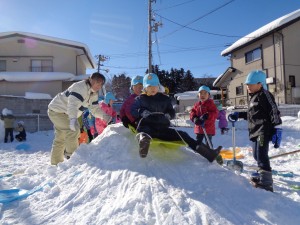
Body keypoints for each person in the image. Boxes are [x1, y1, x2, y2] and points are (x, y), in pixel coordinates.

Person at [131, 73, 221, 161]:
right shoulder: (140, 99)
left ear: (158, 86)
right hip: (148, 127)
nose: (153, 88)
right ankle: (144, 142)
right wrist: (141, 112)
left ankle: (209, 154)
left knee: (184, 135)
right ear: (145, 88)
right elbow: (133, 110)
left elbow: (172, 111)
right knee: (144, 131)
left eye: (155, 86)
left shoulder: (164, 99)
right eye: (149, 86)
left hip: (163, 130)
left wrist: (169, 115)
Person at [228, 70, 282, 192]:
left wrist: (277, 127)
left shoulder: (265, 95)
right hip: (254, 131)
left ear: (260, 84)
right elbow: (251, 114)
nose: (248, 87)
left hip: (263, 130)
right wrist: (239, 114)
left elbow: (273, 110)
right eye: (247, 85)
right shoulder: (253, 98)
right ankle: (262, 175)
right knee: (256, 155)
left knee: (262, 155)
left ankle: (266, 183)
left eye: (250, 84)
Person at [48, 72, 110, 165]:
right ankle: (72, 158)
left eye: (101, 84)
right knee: (73, 131)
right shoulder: (80, 87)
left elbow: (94, 109)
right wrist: (72, 120)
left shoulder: (94, 93)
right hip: (58, 111)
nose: (99, 86)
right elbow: (72, 104)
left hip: (66, 113)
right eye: (97, 82)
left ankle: (55, 163)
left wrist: (104, 116)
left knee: (60, 138)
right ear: (90, 79)